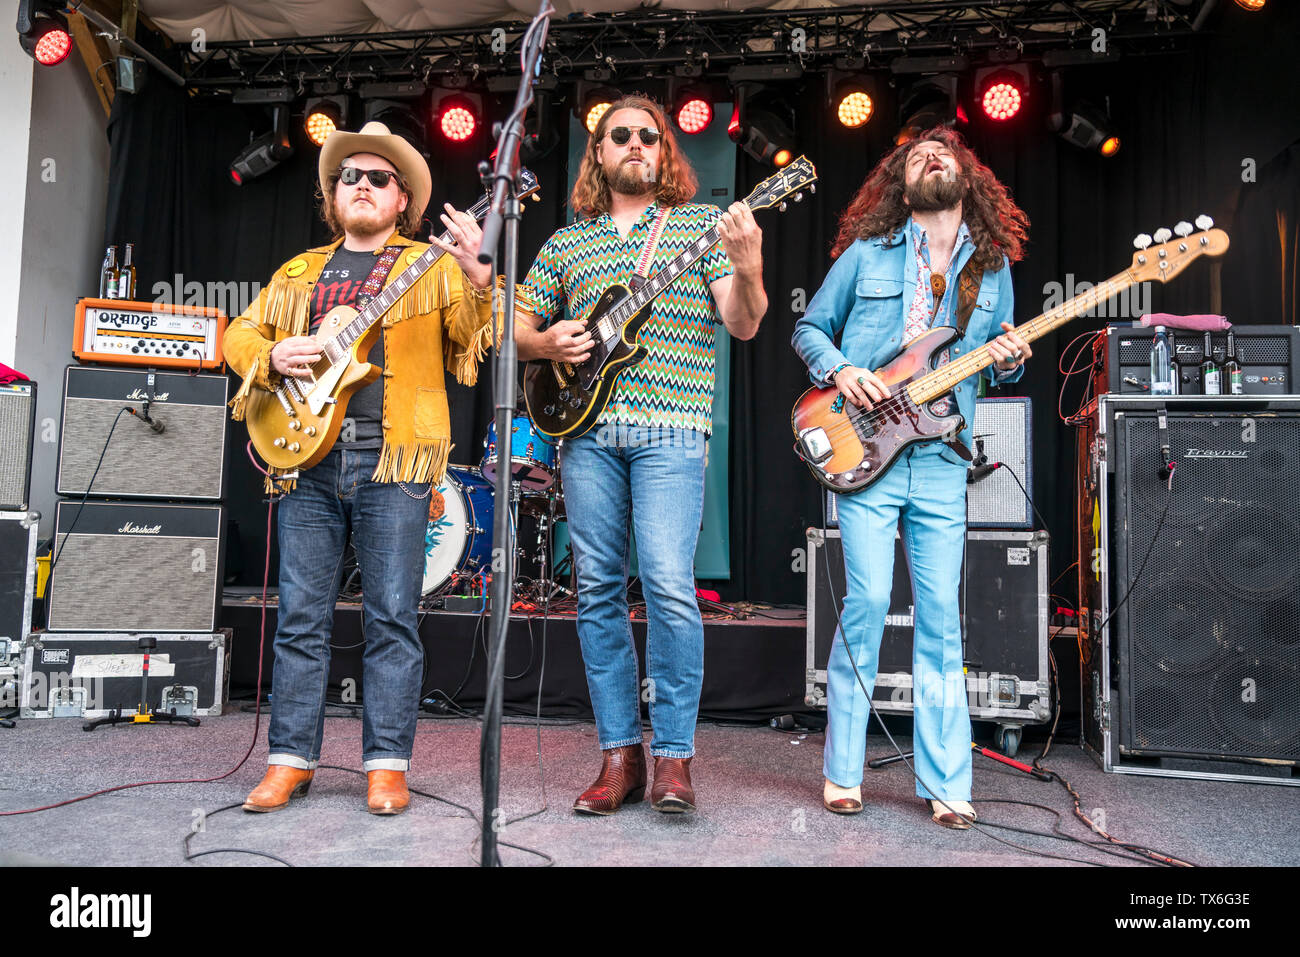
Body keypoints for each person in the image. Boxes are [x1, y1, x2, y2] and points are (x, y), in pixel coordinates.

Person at [225, 122, 497, 815]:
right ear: (333, 193)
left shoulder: (429, 266)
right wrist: (273, 355)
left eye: (379, 178)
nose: (364, 186)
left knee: (393, 617)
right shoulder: (300, 271)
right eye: (351, 176)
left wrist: (478, 275)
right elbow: (239, 333)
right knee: (300, 617)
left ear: (402, 198)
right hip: (306, 460)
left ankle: (387, 764)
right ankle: (289, 759)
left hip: (394, 458)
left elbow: (472, 339)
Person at [515, 96, 767, 814]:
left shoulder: (697, 228)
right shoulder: (568, 243)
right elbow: (514, 329)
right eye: (617, 135)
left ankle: (675, 758)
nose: (633, 144)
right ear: (597, 152)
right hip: (587, 435)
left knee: (666, 585)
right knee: (596, 590)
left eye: (646, 136)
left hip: (673, 432)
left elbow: (744, 324)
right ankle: (619, 755)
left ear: (665, 153)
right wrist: (546, 342)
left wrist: (747, 265)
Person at [791, 127, 1031, 829]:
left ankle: (947, 781)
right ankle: (843, 769)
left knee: (941, 621)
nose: (933, 159)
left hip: (937, 458)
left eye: (945, 153)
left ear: (968, 178)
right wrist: (844, 371)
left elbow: (995, 360)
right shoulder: (866, 255)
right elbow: (810, 329)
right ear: (900, 181)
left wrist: (1010, 355)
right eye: (918, 156)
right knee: (865, 601)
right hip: (865, 450)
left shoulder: (992, 268)